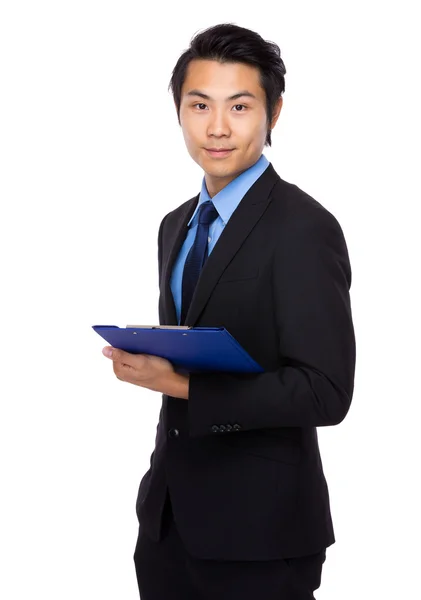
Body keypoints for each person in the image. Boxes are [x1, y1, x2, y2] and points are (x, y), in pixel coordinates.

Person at [102, 22, 356, 600]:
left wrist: (185, 386)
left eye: (239, 106)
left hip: (261, 537)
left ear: (274, 112)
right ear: (180, 112)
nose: (217, 127)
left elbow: (326, 392)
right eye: (199, 105)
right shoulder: (176, 224)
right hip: (168, 527)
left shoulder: (303, 228)